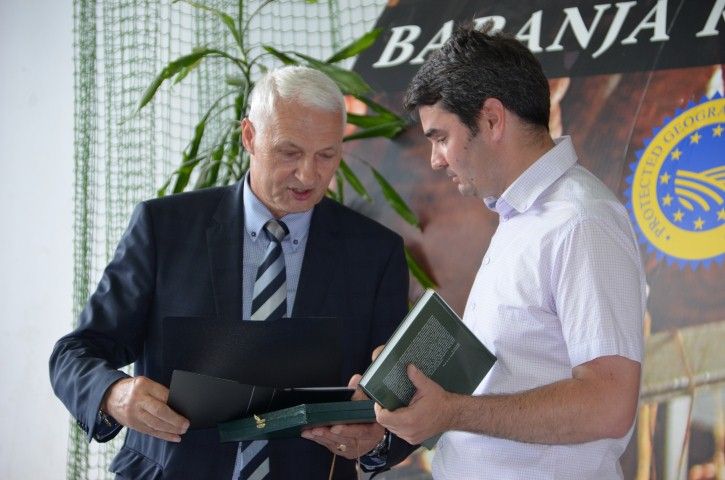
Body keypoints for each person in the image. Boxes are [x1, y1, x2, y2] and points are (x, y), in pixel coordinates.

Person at [50, 66, 411, 479]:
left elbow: (399, 391)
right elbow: (75, 353)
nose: (308, 175)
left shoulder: (375, 252)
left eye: (326, 155)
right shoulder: (164, 228)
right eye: (290, 153)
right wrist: (113, 394)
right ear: (250, 136)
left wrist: (376, 439)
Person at [375, 24, 646, 480]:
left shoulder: (580, 221)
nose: (436, 159)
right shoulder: (523, 216)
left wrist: (453, 411)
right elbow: (519, 373)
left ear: (492, 120)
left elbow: (608, 404)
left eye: (441, 137)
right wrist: (415, 388)